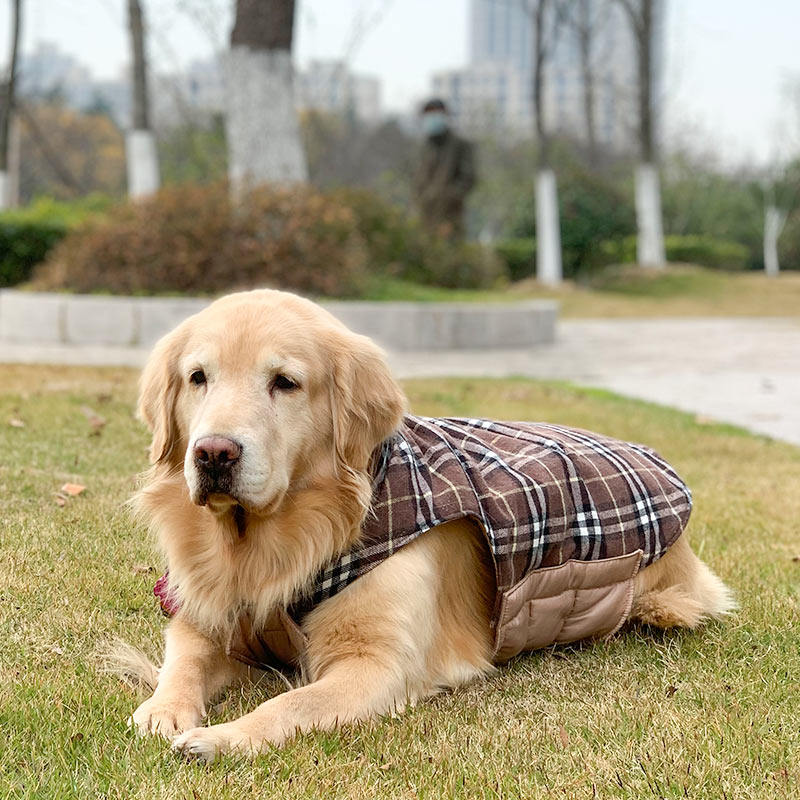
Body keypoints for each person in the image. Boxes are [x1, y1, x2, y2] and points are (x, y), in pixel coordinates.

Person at [412, 99, 475, 239]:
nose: (432, 119)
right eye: (428, 114)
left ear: (445, 115)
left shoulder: (460, 145)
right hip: (424, 217)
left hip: (450, 218)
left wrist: (447, 198)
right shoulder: (425, 146)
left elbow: (468, 179)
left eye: (436, 113)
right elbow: (418, 180)